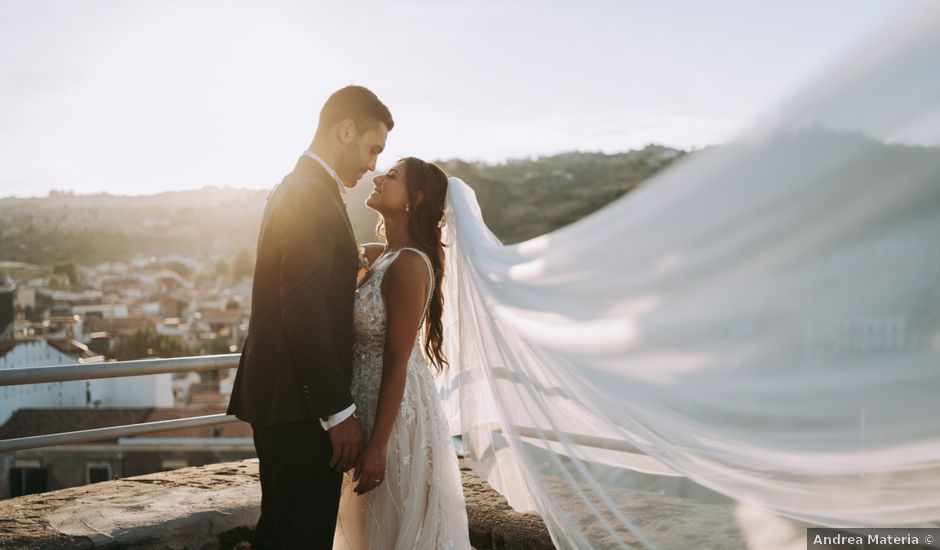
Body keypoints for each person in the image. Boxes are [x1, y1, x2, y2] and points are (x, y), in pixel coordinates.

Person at [227, 85, 392, 549]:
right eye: (372, 148)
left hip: (280, 400)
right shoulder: (313, 197)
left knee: (279, 533)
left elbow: (306, 283)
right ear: (345, 130)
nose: (373, 164)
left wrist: (358, 262)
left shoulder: (299, 186)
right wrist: (338, 412)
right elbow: (303, 311)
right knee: (301, 537)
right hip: (301, 410)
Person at [333, 157, 471, 549]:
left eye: (392, 176)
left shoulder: (409, 264)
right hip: (365, 407)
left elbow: (398, 359)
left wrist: (378, 445)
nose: (378, 176)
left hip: (393, 419)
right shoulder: (383, 257)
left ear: (416, 198)